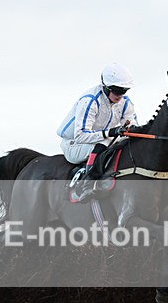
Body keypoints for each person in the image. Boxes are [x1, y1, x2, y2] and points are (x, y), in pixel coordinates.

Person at [57, 63, 140, 200]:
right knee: (105, 141)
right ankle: (86, 184)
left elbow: (133, 125)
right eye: (116, 90)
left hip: (101, 141)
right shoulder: (90, 101)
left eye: (124, 90)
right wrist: (110, 132)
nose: (120, 95)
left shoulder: (125, 102)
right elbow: (80, 135)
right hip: (74, 144)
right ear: (105, 87)